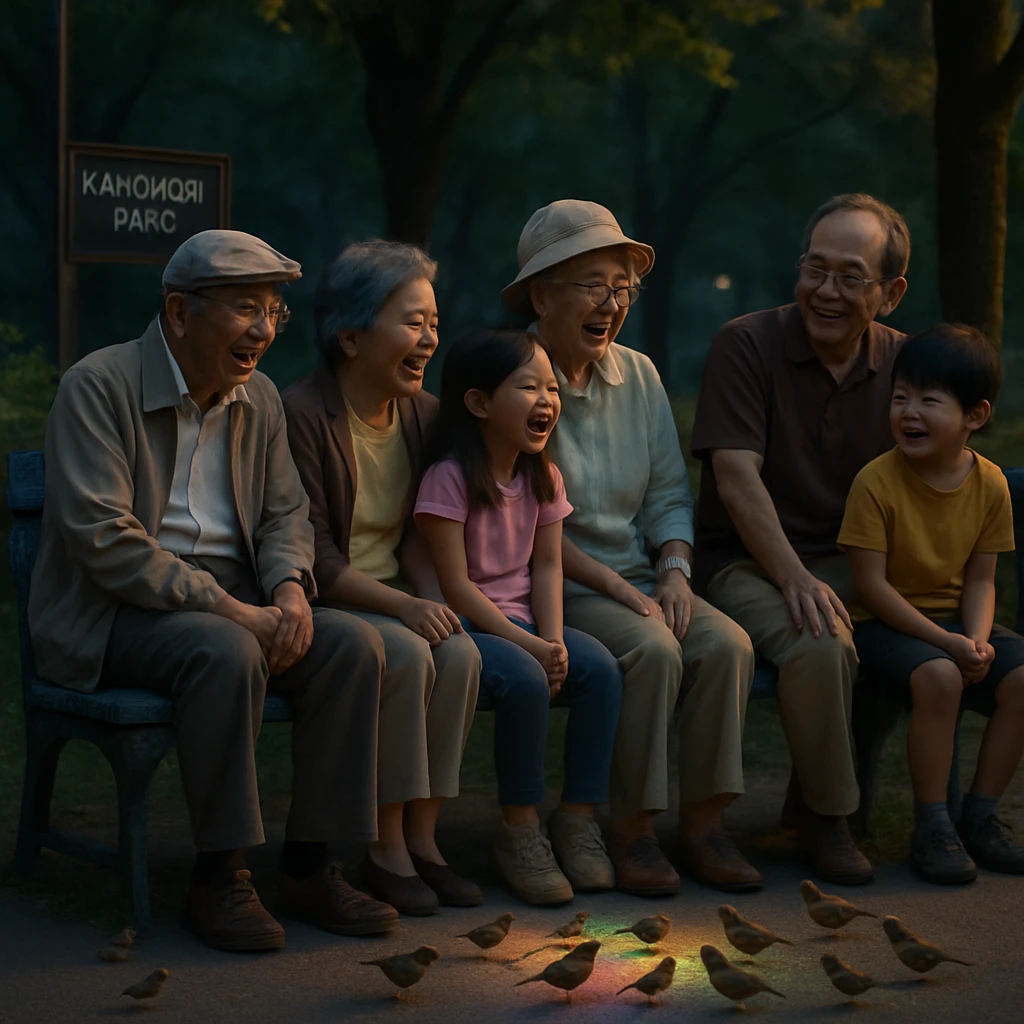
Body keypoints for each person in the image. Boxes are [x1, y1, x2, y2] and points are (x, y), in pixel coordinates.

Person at [29, 230, 398, 951]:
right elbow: (107, 541)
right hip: (118, 613)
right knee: (225, 650)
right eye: (243, 309)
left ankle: (311, 866)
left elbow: (285, 512)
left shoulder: (256, 398)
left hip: (236, 603)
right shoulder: (98, 387)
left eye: (272, 312)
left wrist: (291, 589)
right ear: (178, 312)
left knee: (354, 643)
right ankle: (220, 876)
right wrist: (232, 609)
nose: (263, 329)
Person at [502, 199, 759, 896]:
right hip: (554, 583)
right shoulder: (516, 377)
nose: (609, 303)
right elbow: (523, 523)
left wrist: (675, 571)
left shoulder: (639, 374)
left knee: (727, 643)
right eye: (590, 284)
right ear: (540, 294)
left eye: (620, 286)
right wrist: (626, 591)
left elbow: (670, 494)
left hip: (643, 576)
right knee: (652, 647)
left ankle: (705, 827)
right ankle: (631, 828)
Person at [691, 193, 911, 885]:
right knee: (820, 641)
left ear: (891, 292)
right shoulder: (747, 343)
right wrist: (792, 576)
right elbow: (735, 478)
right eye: (815, 269)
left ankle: (895, 813)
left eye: (851, 276)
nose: (826, 290)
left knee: (925, 636)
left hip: (855, 565)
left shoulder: (906, 363)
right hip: (746, 563)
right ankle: (829, 819)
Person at [282, 241, 481, 917]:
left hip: (393, 594)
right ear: (350, 336)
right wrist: (406, 606)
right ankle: (383, 847)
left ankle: (424, 842)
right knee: (402, 649)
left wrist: (430, 596)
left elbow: (417, 533)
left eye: (432, 322)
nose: (429, 339)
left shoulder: (422, 414)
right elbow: (320, 559)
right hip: (328, 603)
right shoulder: (302, 415)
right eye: (411, 322)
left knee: (457, 651)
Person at [414, 328, 623, 906]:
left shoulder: (543, 476)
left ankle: (579, 819)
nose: (547, 400)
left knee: (601, 668)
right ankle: (520, 828)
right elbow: (456, 587)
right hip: (473, 628)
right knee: (529, 679)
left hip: (528, 628)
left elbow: (548, 569)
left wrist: (553, 639)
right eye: (527, 386)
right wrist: (530, 648)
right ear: (479, 403)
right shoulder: (449, 478)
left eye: (551, 387)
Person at [839, 323, 1024, 884]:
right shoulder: (876, 482)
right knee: (941, 676)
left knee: (1021, 679)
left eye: (929, 400)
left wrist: (978, 639)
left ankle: (981, 815)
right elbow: (870, 587)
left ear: (975, 415)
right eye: (900, 397)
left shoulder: (990, 484)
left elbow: (981, 581)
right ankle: (933, 824)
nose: (909, 412)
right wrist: (947, 644)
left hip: (954, 626)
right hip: (883, 624)